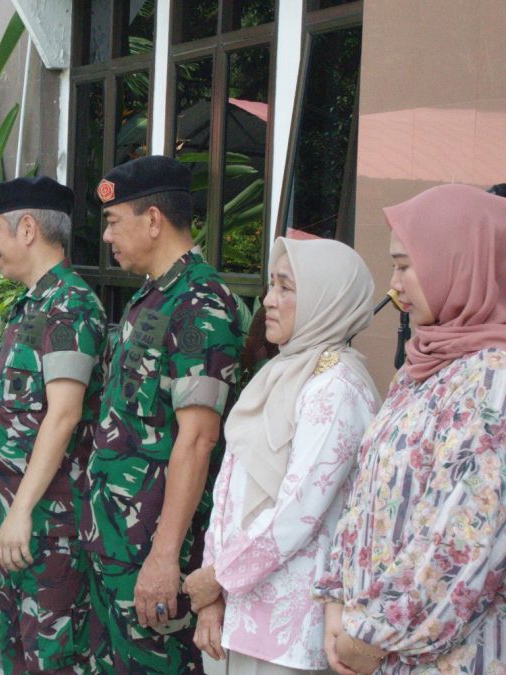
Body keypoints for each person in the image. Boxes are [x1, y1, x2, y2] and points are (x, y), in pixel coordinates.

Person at [313, 183, 506, 674]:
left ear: (460, 263)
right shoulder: (422, 368)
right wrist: (336, 601)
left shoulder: (493, 382)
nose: (393, 286)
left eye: (404, 265)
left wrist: (370, 637)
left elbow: (462, 544)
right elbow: (363, 495)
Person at [184, 237, 381, 673]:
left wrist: (218, 578)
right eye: (271, 285)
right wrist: (213, 594)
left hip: (292, 631)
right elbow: (229, 492)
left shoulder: (337, 387)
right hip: (238, 613)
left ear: (326, 299)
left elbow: (299, 512)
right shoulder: (280, 372)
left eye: (286, 288)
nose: (269, 301)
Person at [79, 155, 243, 673]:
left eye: (112, 221)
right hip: (114, 542)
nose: (107, 237)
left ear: (153, 220)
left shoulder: (200, 303)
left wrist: (165, 555)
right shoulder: (151, 299)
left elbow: (197, 439)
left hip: (150, 550)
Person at [0, 176, 106, 672]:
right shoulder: (30, 305)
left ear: (28, 229)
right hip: (24, 527)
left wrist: (20, 511)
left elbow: (64, 415)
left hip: (51, 527)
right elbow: (20, 410)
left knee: (52, 663)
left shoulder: (70, 305)